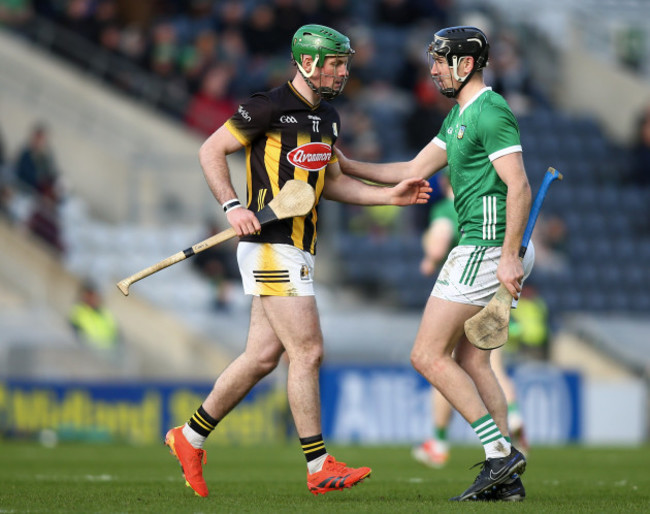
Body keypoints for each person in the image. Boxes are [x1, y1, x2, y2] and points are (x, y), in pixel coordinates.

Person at [163, 24, 431, 498]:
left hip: (300, 246)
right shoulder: (265, 106)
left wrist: (390, 197)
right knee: (307, 351)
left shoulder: (328, 117)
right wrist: (232, 207)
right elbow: (211, 150)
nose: (344, 71)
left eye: (345, 62)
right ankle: (318, 466)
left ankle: (189, 437)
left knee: (263, 357)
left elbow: (330, 182)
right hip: (270, 244)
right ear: (308, 63)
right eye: (336, 63)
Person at [336, 26, 534, 502]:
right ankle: (506, 479)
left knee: (426, 355)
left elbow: (520, 186)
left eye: (441, 61)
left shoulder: (491, 110)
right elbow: (409, 170)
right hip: (479, 248)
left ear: (466, 65)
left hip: (483, 248)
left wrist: (508, 257)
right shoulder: (458, 116)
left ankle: (499, 455)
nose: (433, 69)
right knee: (472, 360)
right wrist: (344, 164)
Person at [413, 171, 529, 469]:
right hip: (499, 281)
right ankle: (509, 428)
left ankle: (443, 442)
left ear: (444, 183)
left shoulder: (448, 208)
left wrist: (428, 255)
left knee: (437, 361)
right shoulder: (495, 200)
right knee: (483, 365)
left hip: (466, 285)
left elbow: (437, 249)